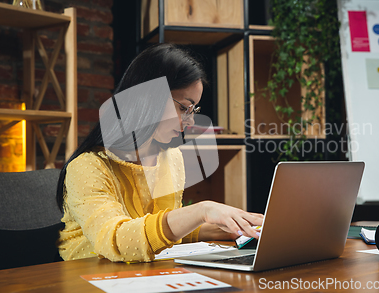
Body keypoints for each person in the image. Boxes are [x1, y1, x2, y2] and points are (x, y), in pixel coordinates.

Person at [56, 44, 263, 262]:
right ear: (148, 97)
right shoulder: (87, 167)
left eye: (194, 110)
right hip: (86, 277)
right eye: (184, 108)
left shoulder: (170, 157)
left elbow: (161, 231)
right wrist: (201, 210)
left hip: (144, 275)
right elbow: (115, 241)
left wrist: (236, 229)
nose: (190, 121)